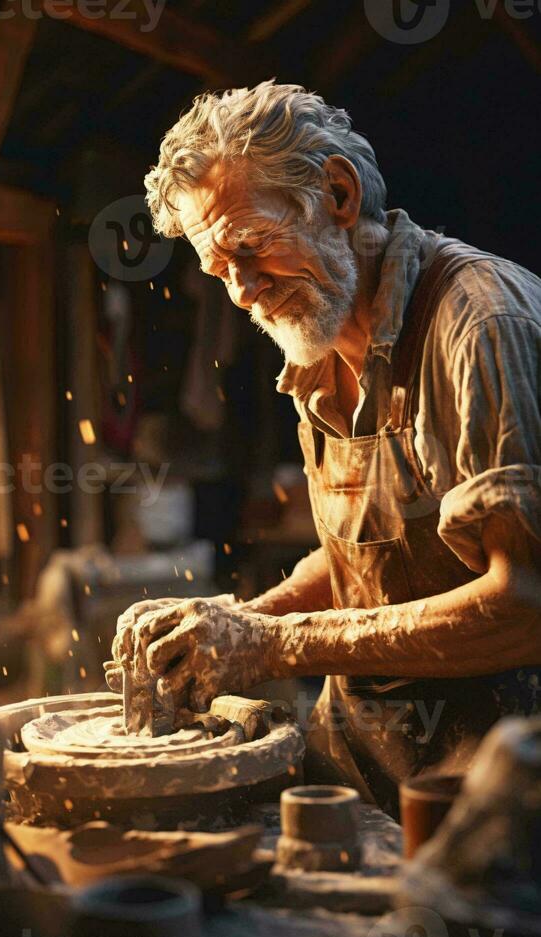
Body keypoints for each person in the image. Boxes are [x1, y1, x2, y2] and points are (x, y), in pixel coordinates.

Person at [104, 81, 541, 816]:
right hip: (359, 753)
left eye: (251, 246)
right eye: (220, 270)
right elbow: (366, 558)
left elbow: (525, 599)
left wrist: (272, 646)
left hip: (499, 780)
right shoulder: (318, 350)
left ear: (337, 195)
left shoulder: (476, 321)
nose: (242, 292)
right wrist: (235, 625)